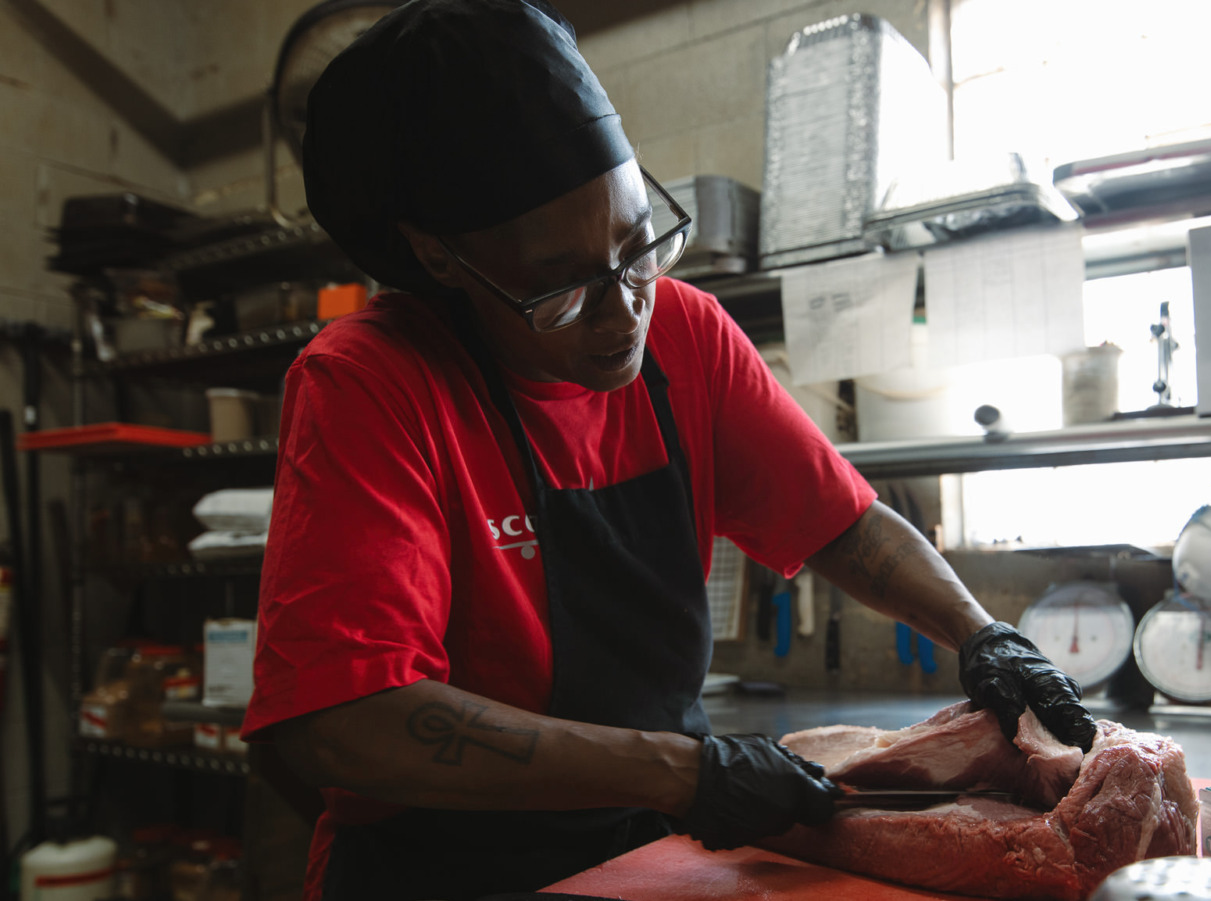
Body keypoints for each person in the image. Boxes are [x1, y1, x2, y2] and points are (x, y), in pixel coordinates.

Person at [238, 2, 1098, 899]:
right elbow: (346, 721)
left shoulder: (685, 333)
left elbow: (842, 526)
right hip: (441, 868)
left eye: (637, 242)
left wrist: (980, 632)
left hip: (646, 852)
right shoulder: (371, 383)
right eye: (560, 288)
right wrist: (686, 771)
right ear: (440, 257)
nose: (622, 315)